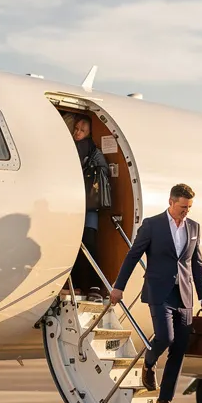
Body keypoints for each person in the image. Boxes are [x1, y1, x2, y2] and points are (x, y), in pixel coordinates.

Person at [110, 183, 202, 403]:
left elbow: (197, 263)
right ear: (171, 202)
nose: (186, 211)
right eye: (183, 207)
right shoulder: (152, 225)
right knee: (166, 337)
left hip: (184, 294)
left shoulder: (193, 227)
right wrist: (119, 287)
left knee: (179, 348)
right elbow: (133, 255)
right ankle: (149, 361)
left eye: (189, 207)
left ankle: (164, 401)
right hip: (159, 291)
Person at [64, 112, 112, 297]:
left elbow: (104, 172)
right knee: (80, 245)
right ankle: (81, 284)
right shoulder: (84, 150)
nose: (77, 133)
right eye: (76, 129)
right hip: (82, 207)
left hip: (86, 206)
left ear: (90, 132)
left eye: (82, 130)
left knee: (87, 245)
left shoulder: (89, 151)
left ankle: (90, 284)